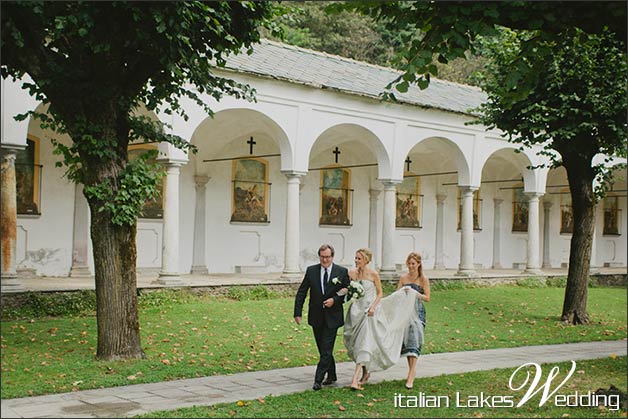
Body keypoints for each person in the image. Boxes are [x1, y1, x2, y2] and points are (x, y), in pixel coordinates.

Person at [343, 248, 420, 391]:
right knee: (357, 343)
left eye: (359, 258)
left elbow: (379, 294)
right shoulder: (352, 273)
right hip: (356, 311)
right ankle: (365, 374)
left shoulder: (373, 274)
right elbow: (348, 290)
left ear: (366, 260)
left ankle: (354, 380)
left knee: (364, 343)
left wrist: (372, 307)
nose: (356, 261)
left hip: (370, 312)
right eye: (355, 258)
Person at [294, 244, 350, 391]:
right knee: (323, 348)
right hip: (316, 315)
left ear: (332, 257)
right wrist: (297, 312)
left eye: (328, 257)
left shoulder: (342, 271)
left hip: (333, 317)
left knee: (326, 349)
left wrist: (334, 300)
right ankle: (332, 375)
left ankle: (318, 380)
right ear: (319, 256)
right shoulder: (311, 271)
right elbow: (302, 291)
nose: (325, 260)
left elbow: (347, 292)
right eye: (322, 257)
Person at [397, 252, 430, 389]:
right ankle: (411, 370)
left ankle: (411, 373)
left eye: (413, 264)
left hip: (417, 311)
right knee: (408, 342)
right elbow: (396, 294)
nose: (411, 266)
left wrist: (416, 294)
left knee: (415, 340)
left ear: (418, 264)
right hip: (406, 311)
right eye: (409, 264)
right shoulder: (403, 278)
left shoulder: (423, 279)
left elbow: (427, 298)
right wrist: (403, 291)